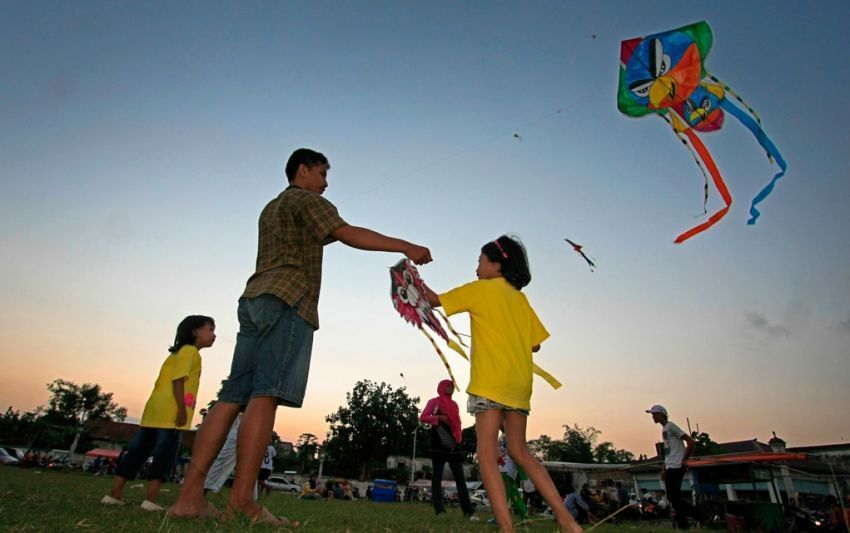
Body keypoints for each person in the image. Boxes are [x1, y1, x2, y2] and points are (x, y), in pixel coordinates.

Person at [168, 148, 431, 526]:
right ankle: (242, 502)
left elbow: (320, 238)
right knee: (265, 394)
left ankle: (189, 498)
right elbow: (346, 233)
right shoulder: (307, 200)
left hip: (254, 298)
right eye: (323, 173)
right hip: (289, 300)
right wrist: (405, 246)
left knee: (231, 396)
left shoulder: (271, 208)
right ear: (303, 170)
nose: (326, 182)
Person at [423, 234, 582, 533]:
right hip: (519, 385)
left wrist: (410, 277)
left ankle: (506, 529)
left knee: (485, 453)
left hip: (490, 382)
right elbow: (535, 346)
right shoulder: (521, 299)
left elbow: (434, 300)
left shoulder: (481, 289)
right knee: (520, 451)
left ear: (496, 265)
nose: (476, 268)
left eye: (479, 261)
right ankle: (566, 519)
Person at [101, 315, 216, 511]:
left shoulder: (176, 353)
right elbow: (178, 381)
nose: (214, 335)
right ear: (196, 331)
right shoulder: (191, 353)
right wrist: (181, 408)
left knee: (136, 454)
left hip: (153, 412)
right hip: (170, 414)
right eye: (210, 330)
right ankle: (150, 500)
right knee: (164, 456)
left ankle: (114, 495)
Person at [419, 379, 476, 520]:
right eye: (448, 385)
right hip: (438, 442)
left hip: (453, 444)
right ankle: (439, 510)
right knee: (437, 477)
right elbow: (423, 417)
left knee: (460, 478)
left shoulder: (454, 404)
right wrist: (439, 418)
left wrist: (458, 438)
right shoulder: (434, 402)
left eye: (452, 385)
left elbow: (457, 422)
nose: (450, 387)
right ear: (441, 387)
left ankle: (468, 512)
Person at [646, 404, 701, 529]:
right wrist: (664, 468)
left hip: (677, 465)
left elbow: (690, 441)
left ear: (662, 414)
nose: (653, 417)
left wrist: (684, 459)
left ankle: (698, 515)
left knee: (673, 496)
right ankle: (684, 524)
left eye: (655, 414)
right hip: (671, 465)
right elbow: (668, 452)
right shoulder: (665, 429)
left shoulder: (671, 427)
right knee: (673, 497)